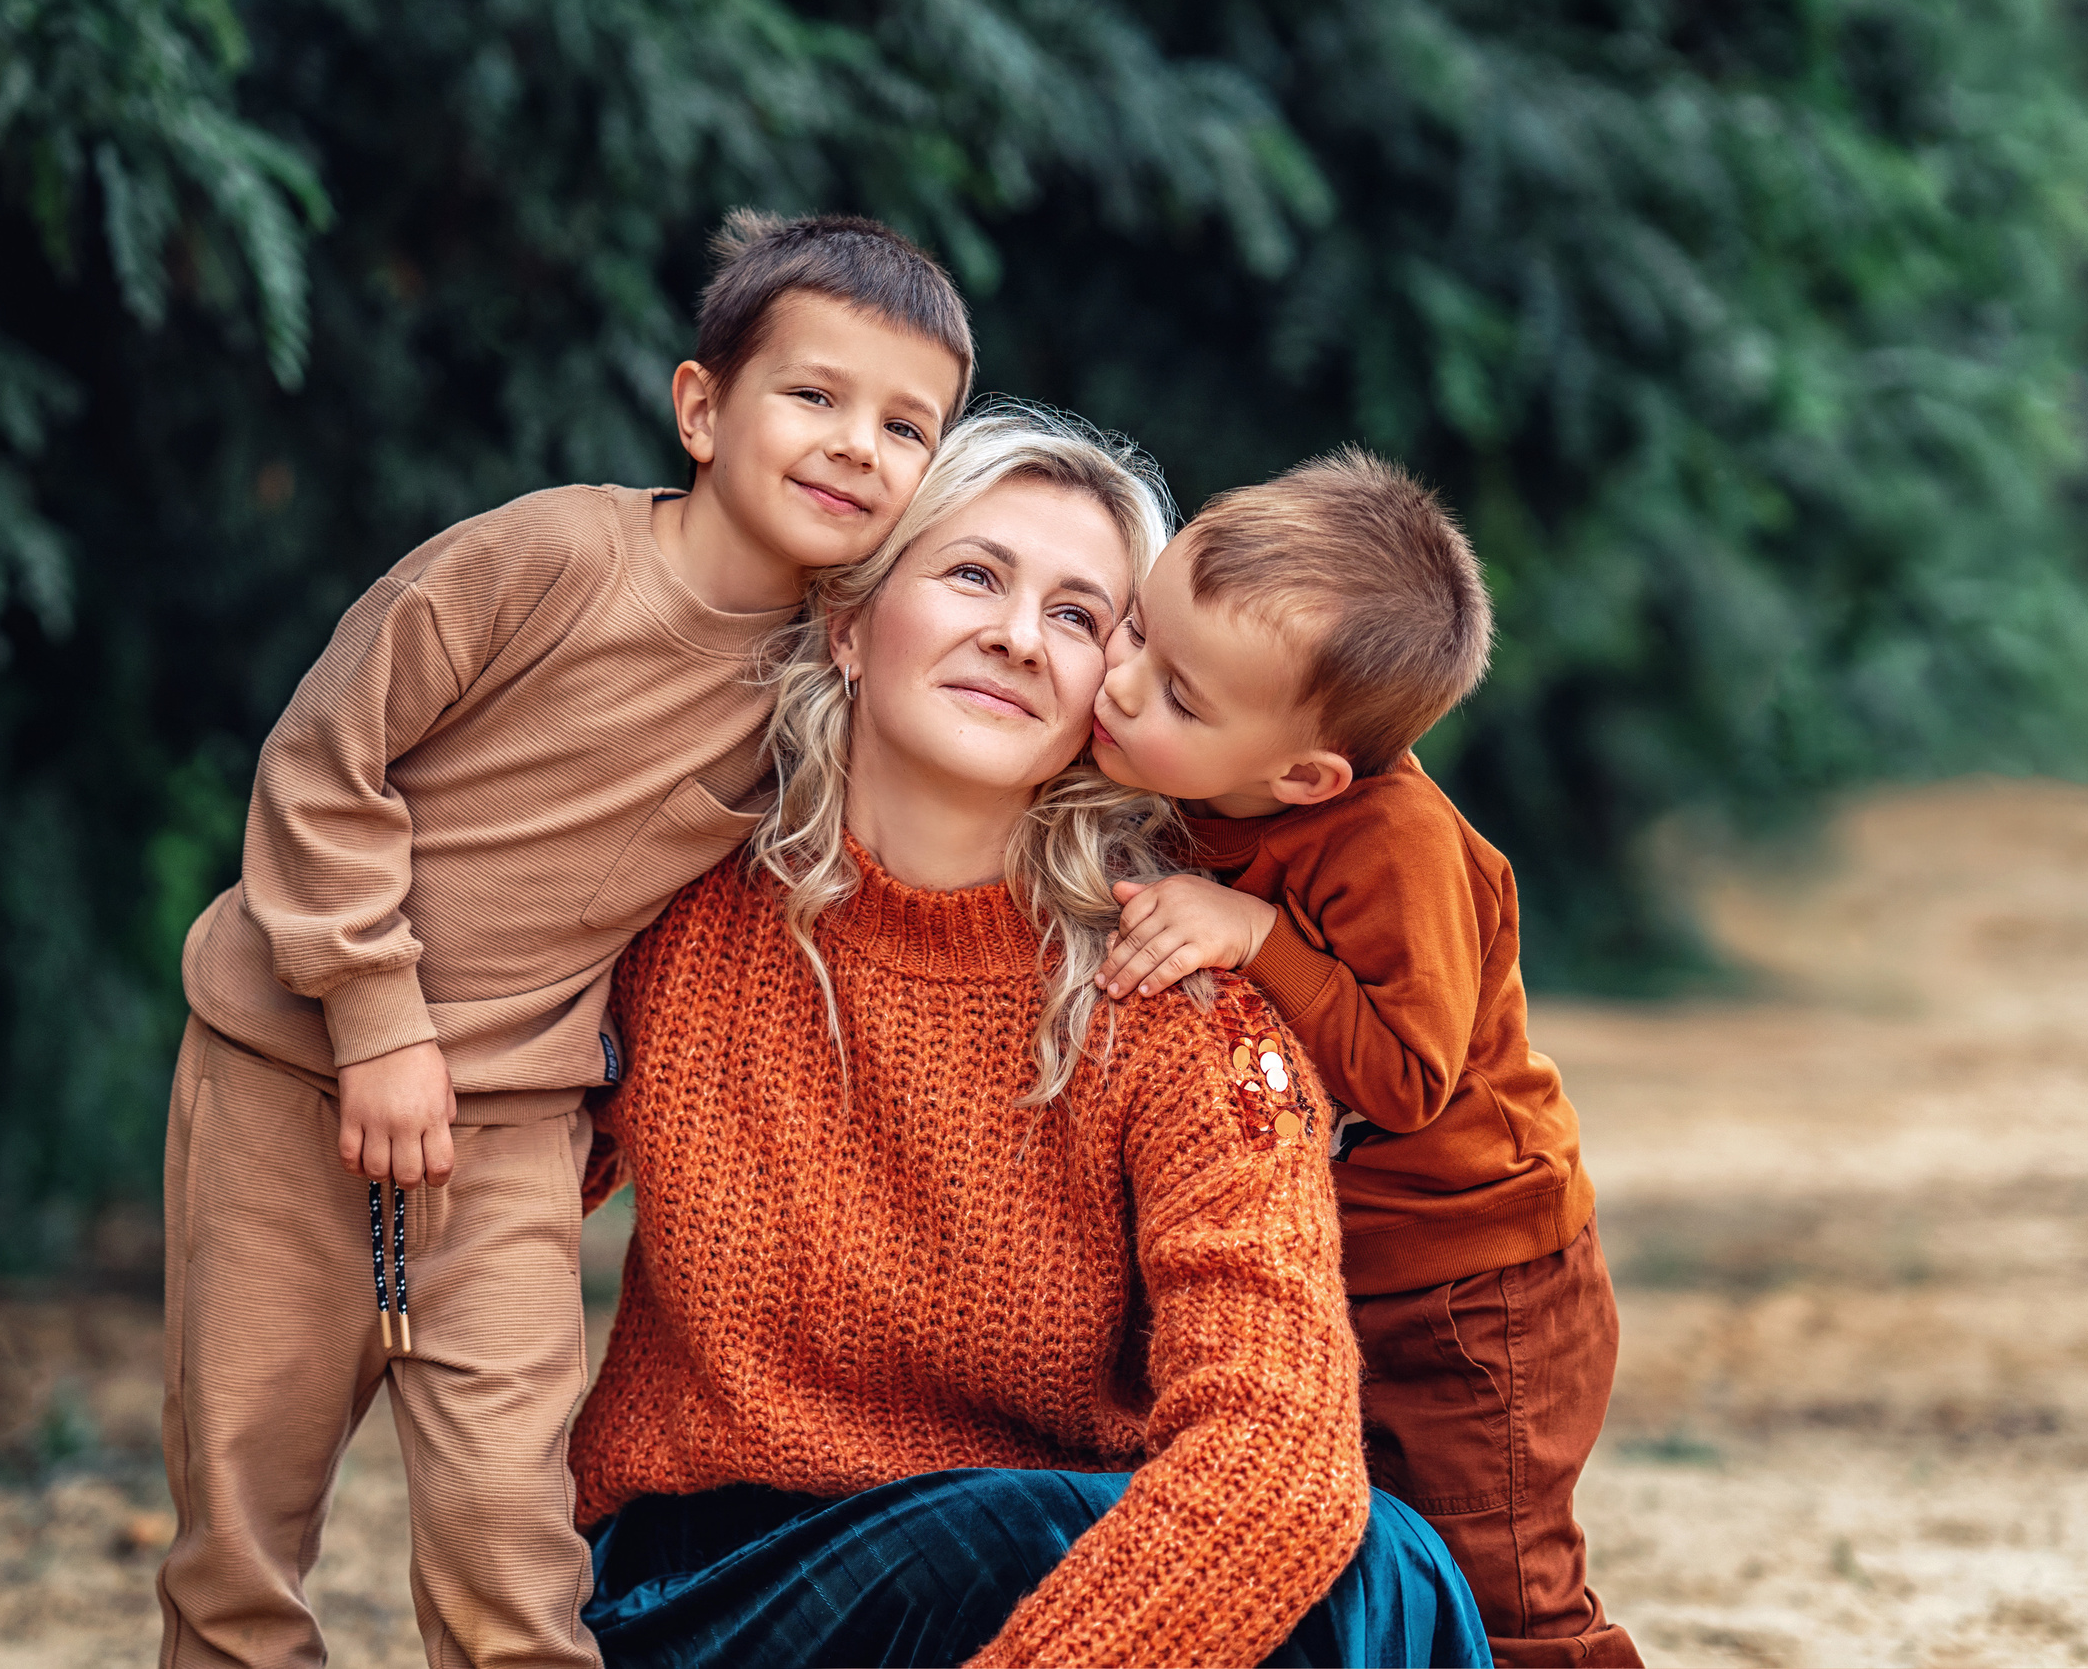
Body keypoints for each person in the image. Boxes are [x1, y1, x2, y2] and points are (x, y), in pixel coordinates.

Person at [156, 212, 972, 1669]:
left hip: (510, 1135)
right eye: (815, 395)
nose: (858, 446)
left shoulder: (825, 679)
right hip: (290, 1072)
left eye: (906, 427)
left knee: (512, 1540)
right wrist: (377, 1017)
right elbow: (324, 758)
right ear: (701, 410)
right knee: (242, 1519)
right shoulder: (547, 557)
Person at [569, 406, 1491, 1668]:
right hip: (714, 1586)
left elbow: (1278, 1441)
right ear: (849, 624)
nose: (1016, 636)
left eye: (1076, 615)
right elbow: (471, 1198)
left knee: (1382, 1565)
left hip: (1060, 1588)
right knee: (1040, 1539)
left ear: (1117, 699)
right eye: (973, 575)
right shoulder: (669, 916)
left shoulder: (1179, 1004)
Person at [1085, 449, 1637, 1667]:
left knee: (1498, 1592)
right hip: (1336, 1271)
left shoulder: (1394, 845)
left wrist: (1258, 937)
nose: (1118, 685)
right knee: (1334, 1566)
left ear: (1305, 775)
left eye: (1178, 696)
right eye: (1133, 631)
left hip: (1475, 1289)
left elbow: (1403, 1077)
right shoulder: (1188, 772)